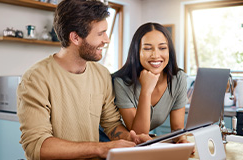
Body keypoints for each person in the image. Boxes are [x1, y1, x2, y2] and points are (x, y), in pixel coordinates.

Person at [17, 0, 151, 160]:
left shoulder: (101, 74)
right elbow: (37, 146)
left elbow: (112, 124)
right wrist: (102, 148)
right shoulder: (36, 79)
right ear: (75, 38)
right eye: (100, 33)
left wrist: (131, 138)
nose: (106, 39)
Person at [112, 22, 188, 143]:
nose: (156, 55)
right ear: (136, 51)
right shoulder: (121, 82)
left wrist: (182, 140)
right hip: (112, 143)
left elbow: (177, 128)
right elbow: (138, 135)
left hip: (140, 146)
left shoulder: (178, 78)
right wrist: (146, 90)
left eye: (162, 48)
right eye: (147, 48)